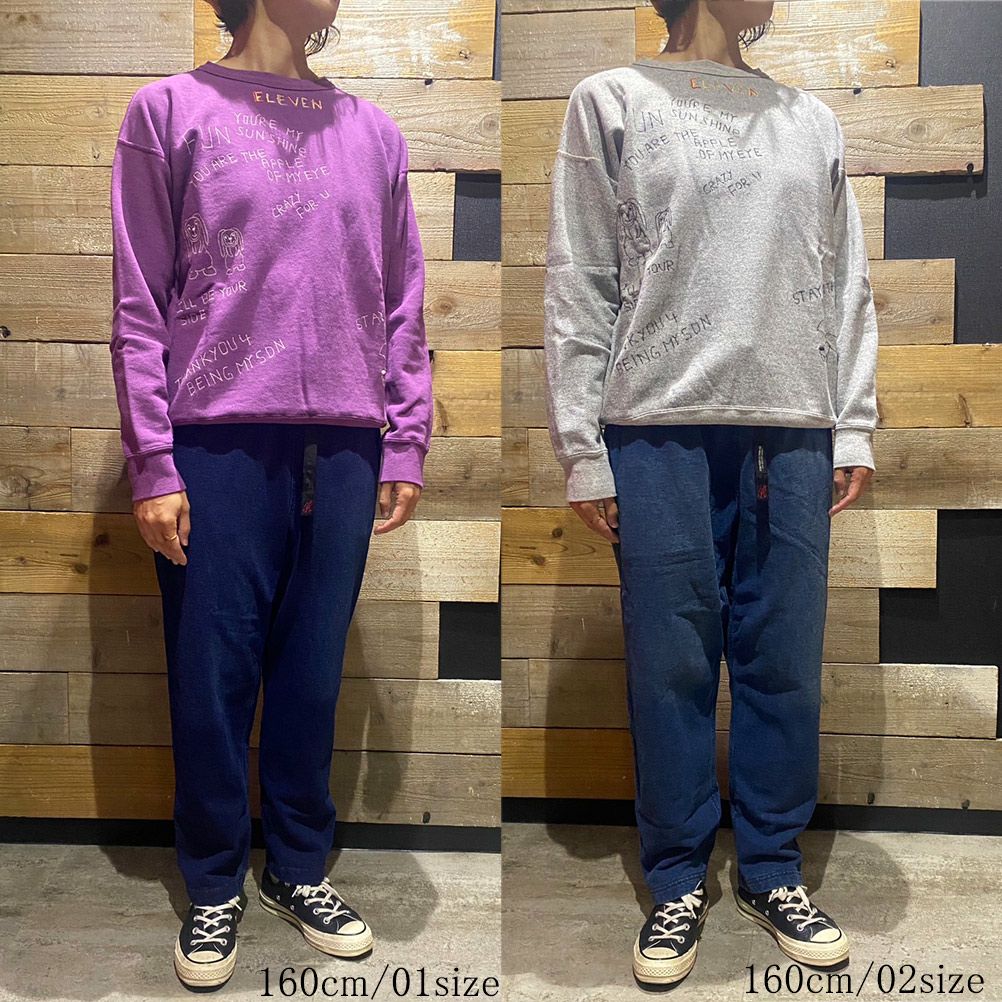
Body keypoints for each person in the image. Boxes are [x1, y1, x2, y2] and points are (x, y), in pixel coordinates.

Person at [542, 0, 877, 990]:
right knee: (670, 666)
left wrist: (852, 422)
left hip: (792, 427)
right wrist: (584, 447)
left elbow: (843, 281)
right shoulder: (612, 100)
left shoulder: (809, 119)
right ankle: (678, 875)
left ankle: (773, 869)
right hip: (657, 428)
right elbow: (580, 277)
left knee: (785, 663)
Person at [109, 0, 433, 990]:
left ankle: (298, 866)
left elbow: (402, 299)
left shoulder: (372, 132)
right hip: (215, 441)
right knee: (211, 675)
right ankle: (213, 881)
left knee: (313, 671)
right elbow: (139, 301)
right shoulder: (169, 112)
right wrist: (153, 461)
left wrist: (404, 437)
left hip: (344, 442)